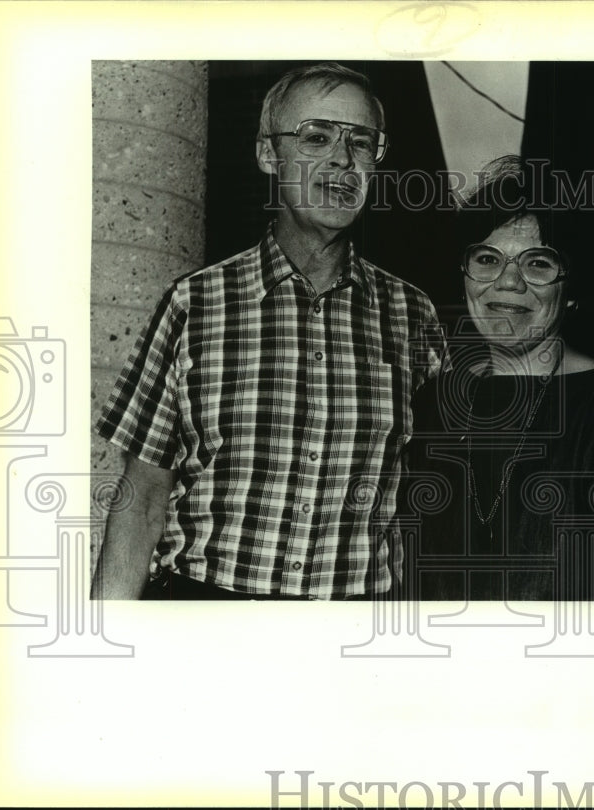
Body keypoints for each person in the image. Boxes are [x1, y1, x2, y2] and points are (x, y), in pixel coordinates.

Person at [92, 63, 445, 600]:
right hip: (206, 616)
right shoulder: (195, 303)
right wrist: (102, 647)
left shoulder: (413, 316)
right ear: (267, 154)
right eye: (316, 136)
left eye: (362, 142)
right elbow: (142, 493)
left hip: (350, 634)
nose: (342, 160)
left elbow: (439, 491)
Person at [404, 156, 594, 602]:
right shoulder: (429, 405)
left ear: (573, 289)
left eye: (538, 264)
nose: (507, 283)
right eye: (487, 259)